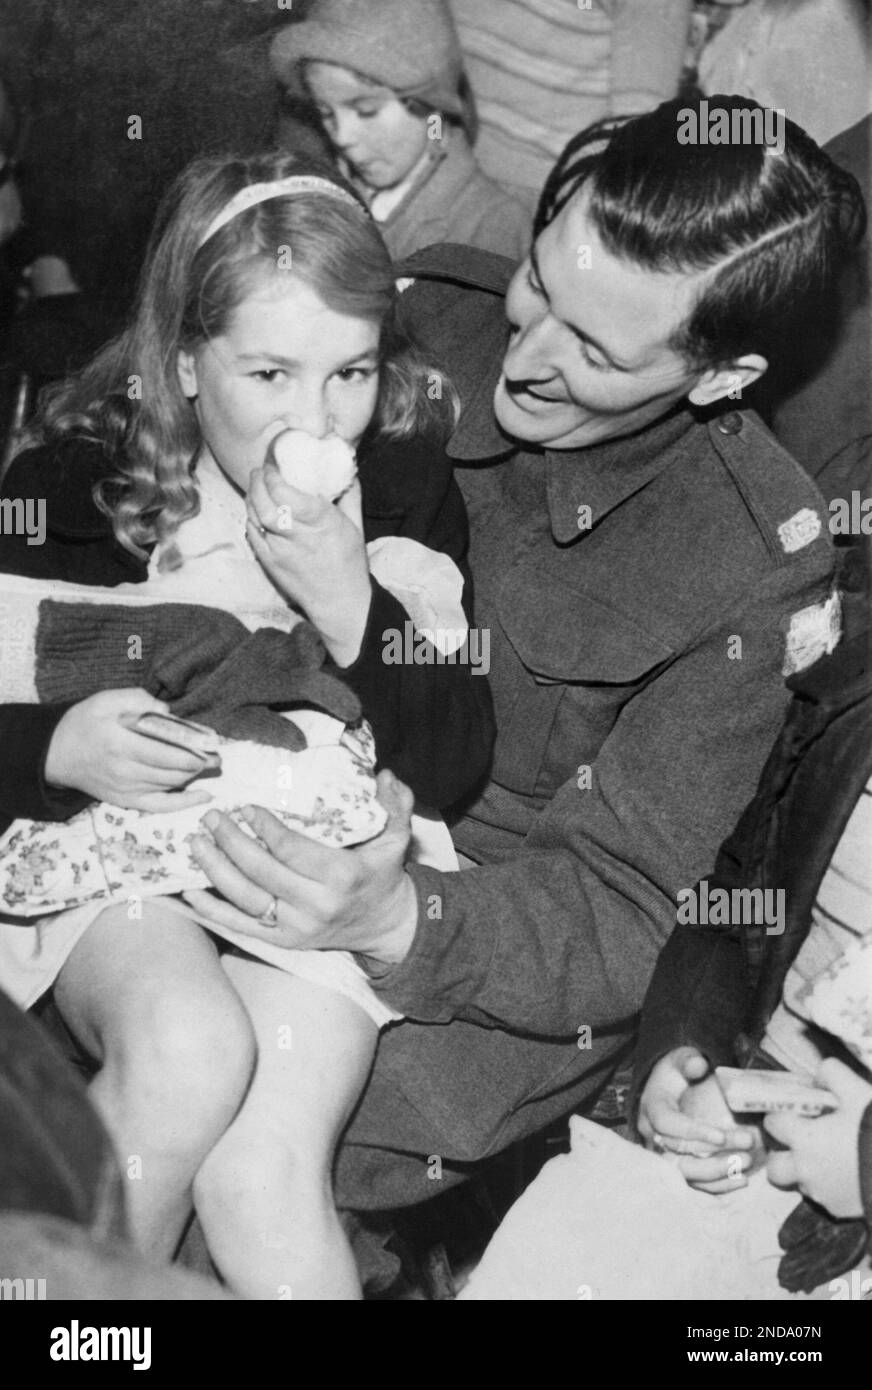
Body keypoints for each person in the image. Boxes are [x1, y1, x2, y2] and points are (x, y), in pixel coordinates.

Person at [185, 99, 866, 1286]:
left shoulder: (750, 562)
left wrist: (393, 918)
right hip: (215, 787)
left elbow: (622, 904)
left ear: (722, 373)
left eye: (597, 351)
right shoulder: (422, 313)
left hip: (453, 969)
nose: (529, 349)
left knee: (226, 1180)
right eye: (542, 281)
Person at [0, 150, 494, 1298]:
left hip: (310, 857)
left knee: (262, 1174)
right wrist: (52, 747)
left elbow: (453, 759)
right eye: (269, 373)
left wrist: (348, 607)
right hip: (113, 852)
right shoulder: (80, 488)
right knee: (186, 1048)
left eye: (350, 373)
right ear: (182, 363)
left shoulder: (408, 496)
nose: (315, 419)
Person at [458, 586, 872, 1300]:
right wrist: (685, 1055)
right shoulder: (854, 691)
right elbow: (742, 885)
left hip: (842, 1174)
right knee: (553, 1255)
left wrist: (864, 1164)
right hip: (766, 1104)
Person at [268, 0, 531, 262]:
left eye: (367, 110)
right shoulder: (321, 193)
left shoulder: (491, 228)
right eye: (326, 113)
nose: (342, 136)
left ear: (430, 105)